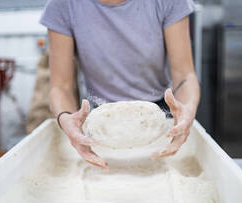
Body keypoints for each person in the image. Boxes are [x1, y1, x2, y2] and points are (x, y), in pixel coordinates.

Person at [40, 0, 200, 169]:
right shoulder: (64, 5)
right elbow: (60, 86)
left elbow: (184, 75)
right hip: (101, 123)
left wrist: (187, 108)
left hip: (159, 119)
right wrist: (66, 118)